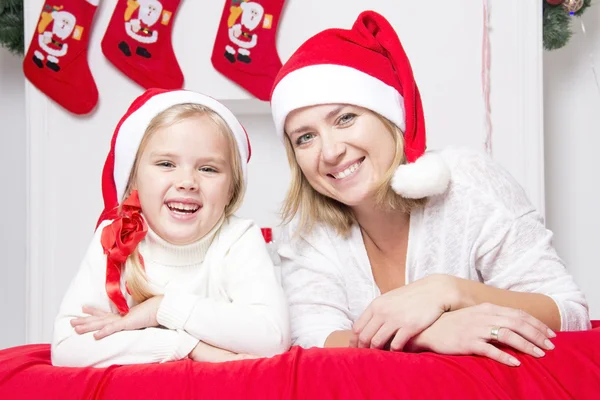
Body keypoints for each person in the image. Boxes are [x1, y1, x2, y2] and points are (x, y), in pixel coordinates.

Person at [269, 10, 590, 367]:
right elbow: (315, 341)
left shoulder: (469, 183)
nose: (329, 152)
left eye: (345, 118)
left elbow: (569, 312)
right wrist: (425, 335)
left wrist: (451, 292)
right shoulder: (304, 229)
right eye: (305, 138)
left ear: (390, 116)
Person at [52, 88, 290, 367]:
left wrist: (163, 309)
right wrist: (186, 346)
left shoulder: (238, 239)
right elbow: (68, 346)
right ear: (134, 180)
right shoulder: (115, 237)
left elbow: (272, 337)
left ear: (231, 190)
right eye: (166, 163)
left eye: (208, 169)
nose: (187, 181)